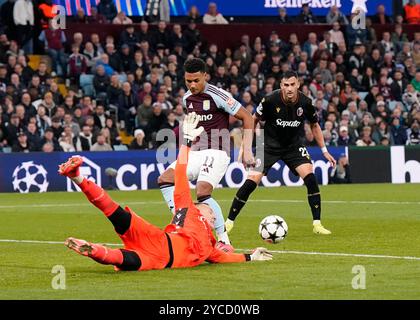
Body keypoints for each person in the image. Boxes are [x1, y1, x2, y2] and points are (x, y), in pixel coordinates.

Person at [60, 113, 272, 271]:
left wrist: (251, 257)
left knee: (125, 260)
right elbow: (180, 174)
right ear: (199, 208)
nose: (214, 214)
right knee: (117, 215)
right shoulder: (188, 209)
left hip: (160, 258)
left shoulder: (211, 246)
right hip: (160, 243)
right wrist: (187, 143)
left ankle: (92, 249)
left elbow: (226, 258)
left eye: (214, 214)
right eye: (211, 211)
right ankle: (77, 177)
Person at [158, 58, 255, 251]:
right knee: (165, 179)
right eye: (188, 81)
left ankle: (223, 240)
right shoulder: (187, 98)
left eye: (196, 80)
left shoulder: (218, 95)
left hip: (218, 150)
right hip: (196, 150)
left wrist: (247, 148)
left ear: (205, 76)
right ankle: (184, 217)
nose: (192, 85)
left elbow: (247, 117)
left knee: (202, 191)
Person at [226, 71, 336, 235]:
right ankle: (229, 222)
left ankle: (317, 224)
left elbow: (314, 125)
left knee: (310, 177)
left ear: (298, 84)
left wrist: (324, 151)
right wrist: (245, 148)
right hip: (268, 145)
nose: (289, 88)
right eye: (286, 85)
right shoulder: (270, 100)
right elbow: (253, 119)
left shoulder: (306, 102)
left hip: (293, 146)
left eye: (292, 84)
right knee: (252, 181)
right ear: (281, 86)